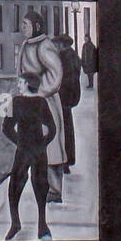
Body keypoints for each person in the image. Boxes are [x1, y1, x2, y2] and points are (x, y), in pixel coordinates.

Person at [19, 11, 66, 203]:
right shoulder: (25, 45)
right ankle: (41, 186)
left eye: (26, 24)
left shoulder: (45, 46)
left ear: (36, 26)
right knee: (34, 144)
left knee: (51, 146)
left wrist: (38, 89)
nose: (23, 28)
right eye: (22, 24)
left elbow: (55, 75)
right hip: (31, 101)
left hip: (46, 102)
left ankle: (55, 190)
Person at [2, 71, 55, 241]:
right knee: (40, 187)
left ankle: (16, 224)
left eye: (21, 82)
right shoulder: (41, 102)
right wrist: (43, 143)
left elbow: (6, 128)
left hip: (24, 151)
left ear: (27, 84)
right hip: (38, 151)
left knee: (15, 187)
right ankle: (41, 225)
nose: (18, 85)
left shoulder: (15, 102)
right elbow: (52, 129)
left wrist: (20, 142)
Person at [54, 34, 83, 172]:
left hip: (64, 97)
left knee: (63, 129)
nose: (55, 46)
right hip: (68, 97)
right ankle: (67, 160)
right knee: (67, 129)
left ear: (62, 44)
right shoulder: (72, 56)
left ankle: (65, 162)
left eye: (57, 44)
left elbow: (66, 79)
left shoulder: (66, 57)